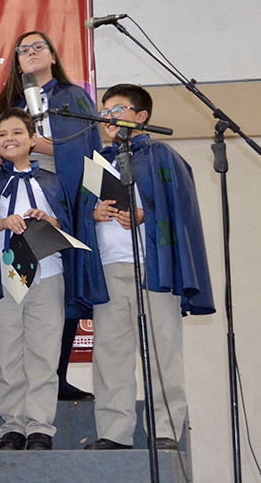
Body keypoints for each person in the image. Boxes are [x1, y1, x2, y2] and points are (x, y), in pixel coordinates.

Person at [83, 84, 214, 450]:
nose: (109, 116)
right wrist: (92, 214)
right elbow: (77, 213)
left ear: (141, 117)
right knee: (110, 356)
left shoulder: (162, 156)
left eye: (118, 109)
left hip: (153, 268)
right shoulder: (97, 161)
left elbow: (182, 211)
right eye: (104, 111)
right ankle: (114, 433)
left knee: (162, 351)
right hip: (109, 268)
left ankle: (165, 431)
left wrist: (145, 215)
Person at [0, 31, 104, 401]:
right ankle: (18, 397)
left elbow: (87, 149)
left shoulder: (74, 97)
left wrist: (35, 144)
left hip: (62, 190)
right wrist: (3, 149)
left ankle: (58, 373)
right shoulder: (9, 105)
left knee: (57, 284)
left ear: (53, 55)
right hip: (13, 196)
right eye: (24, 50)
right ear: (16, 62)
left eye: (39, 47)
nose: (31, 53)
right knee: (19, 289)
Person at [0, 109, 81, 451]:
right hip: (6, 277)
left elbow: (70, 226)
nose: (9, 139)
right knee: (8, 356)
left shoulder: (52, 181)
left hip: (48, 275)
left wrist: (50, 220)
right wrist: (3, 223)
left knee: (44, 356)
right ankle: (12, 426)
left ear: (33, 139)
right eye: (2, 134)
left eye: (17, 132)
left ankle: (40, 428)